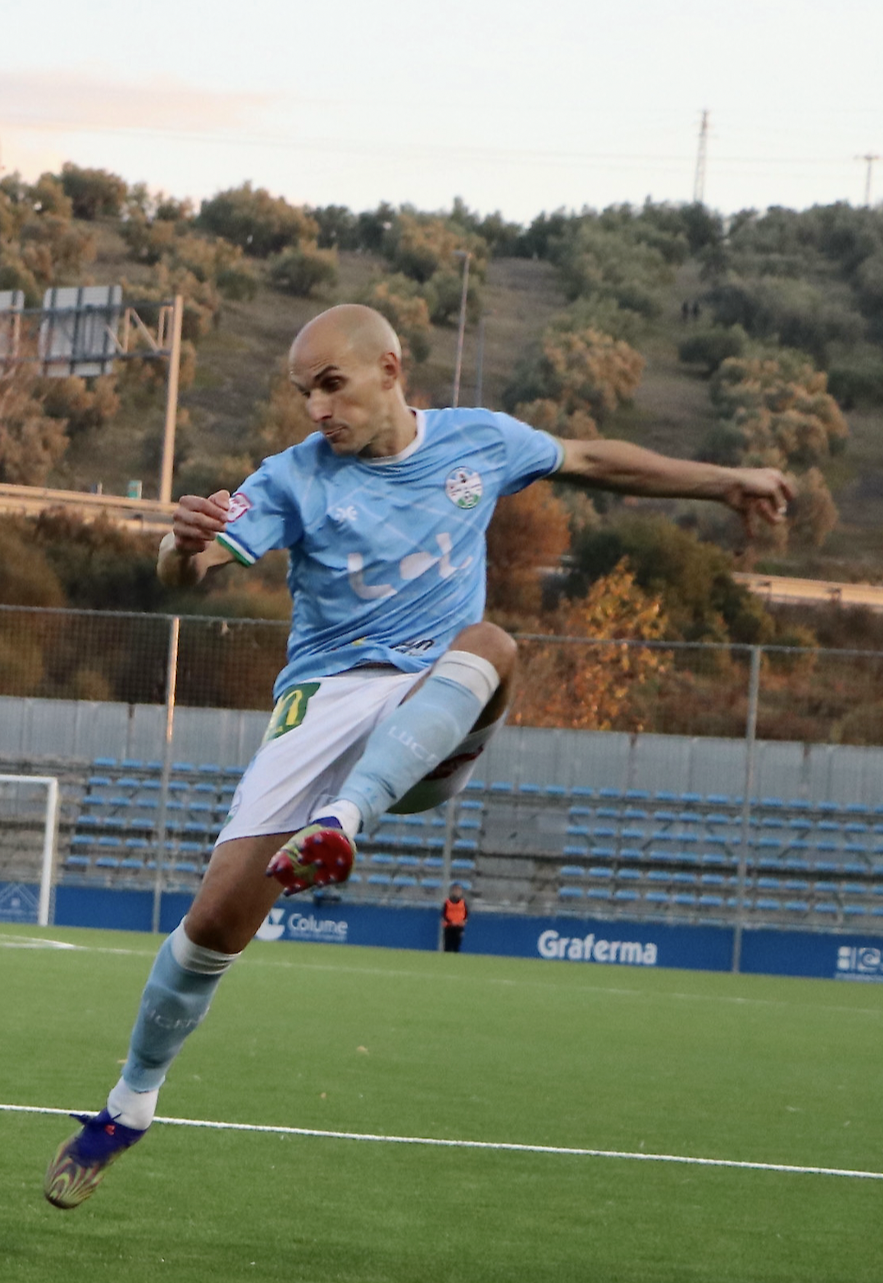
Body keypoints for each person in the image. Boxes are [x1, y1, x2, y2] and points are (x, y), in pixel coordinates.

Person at [45, 303, 793, 1209]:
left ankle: (343, 824)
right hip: (323, 703)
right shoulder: (292, 478)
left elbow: (595, 459)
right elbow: (186, 569)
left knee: (494, 641)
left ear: (390, 369)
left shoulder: (479, 442)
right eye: (303, 394)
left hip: (437, 697)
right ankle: (128, 1106)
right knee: (210, 930)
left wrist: (724, 483)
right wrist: (180, 543)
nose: (318, 409)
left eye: (332, 385)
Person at [440, 883, 469, 953]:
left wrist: (463, 921)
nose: (457, 892)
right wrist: (450, 921)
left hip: (459, 927)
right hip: (449, 926)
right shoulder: (447, 902)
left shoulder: (463, 903)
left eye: (458, 890)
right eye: (455, 890)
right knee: (447, 946)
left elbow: (466, 914)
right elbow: (443, 914)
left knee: (457, 945)